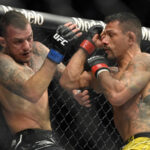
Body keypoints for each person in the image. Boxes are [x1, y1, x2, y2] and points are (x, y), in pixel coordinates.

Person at [60, 12, 150, 149]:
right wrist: (87, 46)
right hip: (132, 144)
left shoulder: (144, 60)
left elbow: (117, 95)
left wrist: (98, 66)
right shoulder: (110, 75)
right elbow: (68, 81)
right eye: (103, 36)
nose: (104, 42)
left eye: (111, 35)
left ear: (130, 38)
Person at [0, 10, 81, 150]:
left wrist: (88, 48)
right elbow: (32, 92)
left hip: (48, 139)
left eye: (29, 38)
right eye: (18, 42)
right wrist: (57, 50)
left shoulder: (38, 50)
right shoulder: (2, 62)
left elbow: (70, 78)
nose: (26, 46)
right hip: (27, 142)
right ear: (3, 42)